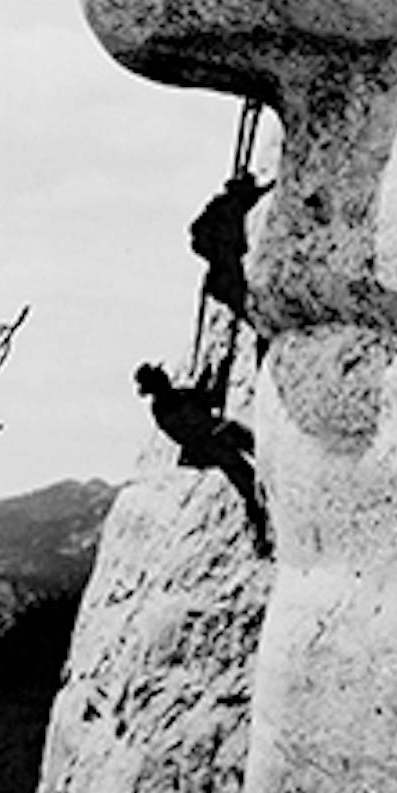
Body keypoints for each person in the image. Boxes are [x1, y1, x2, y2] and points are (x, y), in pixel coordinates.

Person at [134, 360, 272, 557]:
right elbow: (194, 423)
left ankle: (261, 534)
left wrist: (216, 377)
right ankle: (261, 537)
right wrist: (212, 386)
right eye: (160, 377)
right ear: (155, 385)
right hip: (213, 446)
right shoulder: (165, 408)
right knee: (248, 485)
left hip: (219, 438)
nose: (166, 377)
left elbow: (209, 400)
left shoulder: (177, 396)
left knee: (255, 464)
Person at [188, 170, 272, 338]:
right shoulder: (229, 204)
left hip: (226, 262)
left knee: (240, 299)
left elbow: (196, 235)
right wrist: (219, 250)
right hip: (226, 263)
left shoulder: (229, 202)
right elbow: (197, 233)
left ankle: (259, 329)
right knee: (238, 296)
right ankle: (260, 330)